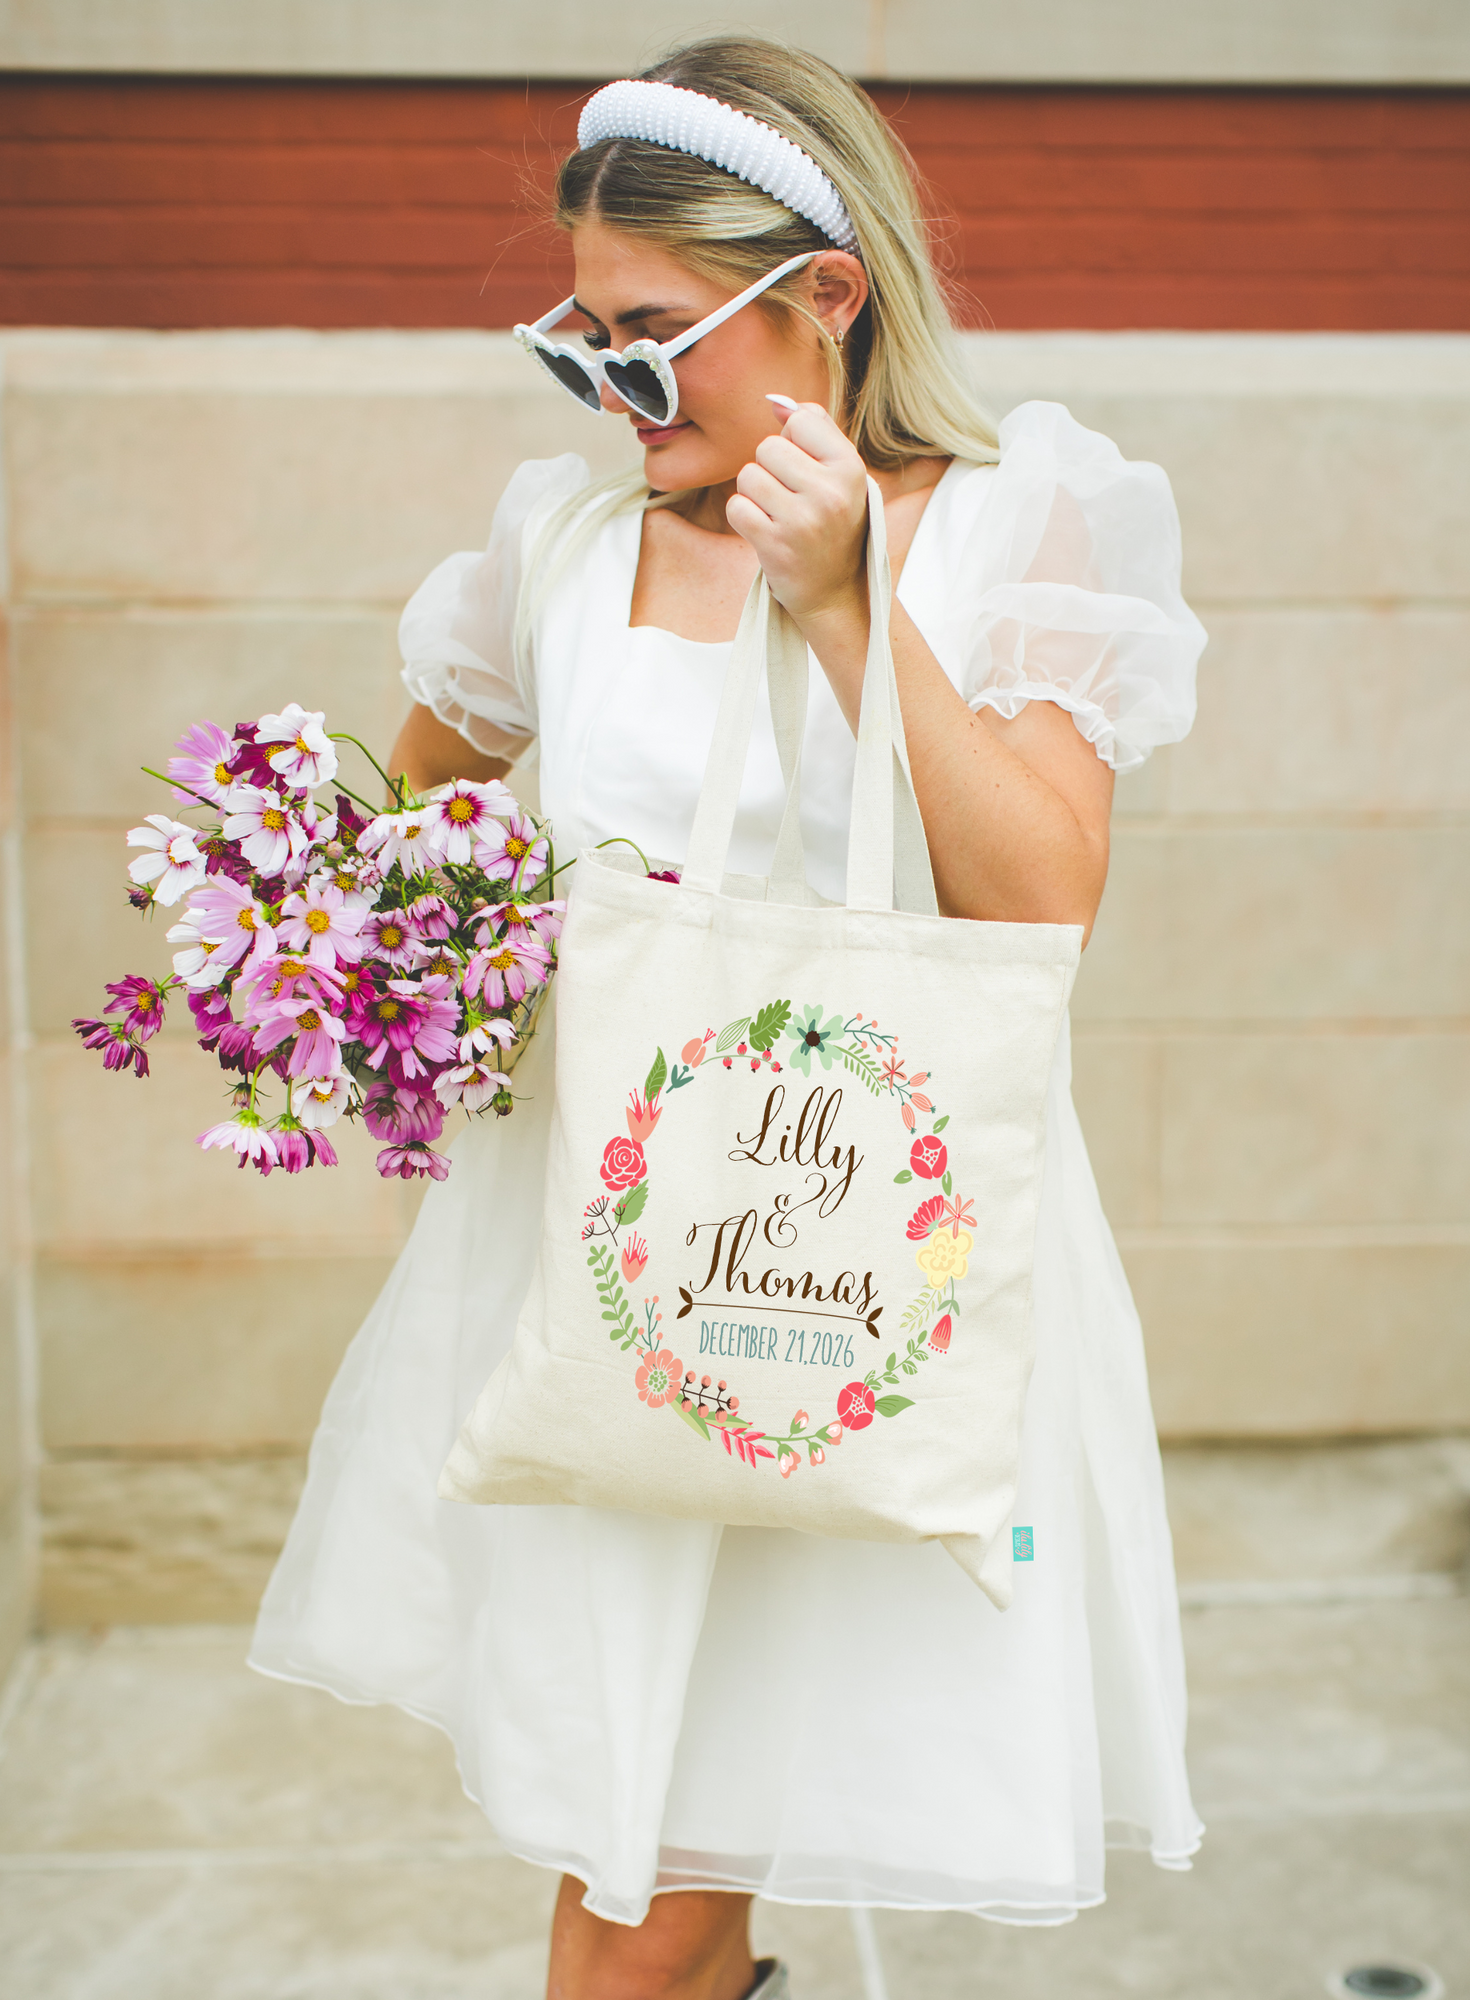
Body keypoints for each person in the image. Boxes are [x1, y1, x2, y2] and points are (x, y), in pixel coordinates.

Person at [251, 35, 1207, 2000]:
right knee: (643, 1876)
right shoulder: (559, 545)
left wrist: (848, 598)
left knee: (654, 1893)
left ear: (826, 299)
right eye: (576, 339)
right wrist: (308, 934)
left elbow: (1041, 903)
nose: (611, 387)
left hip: (860, 1269)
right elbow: (410, 854)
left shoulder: (1016, 520)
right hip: (610, 1280)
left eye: (653, 335)